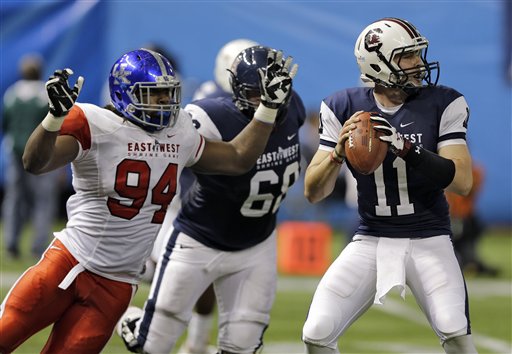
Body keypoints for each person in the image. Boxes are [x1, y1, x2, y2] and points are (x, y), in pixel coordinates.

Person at [0, 47, 296, 353]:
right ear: (126, 92)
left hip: (117, 284)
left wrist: (267, 110)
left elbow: (236, 158)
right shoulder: (94, 123)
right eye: (155, 94)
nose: (167, 102)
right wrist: (52, 120)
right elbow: (35, 162)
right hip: (68, 263)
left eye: (170, 93)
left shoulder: (178, 130)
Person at [301, 18, 477, 354]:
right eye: (406, 57)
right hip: (370, 238)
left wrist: (407, 148)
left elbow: (463, 181)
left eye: (417, 55)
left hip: (429, 237)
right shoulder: (343, 106)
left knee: (455, 330)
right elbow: (314, 192)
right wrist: (337, 153)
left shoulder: (444, 102)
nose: (418, 64)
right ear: (377, 62)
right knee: (317, 331)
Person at [117, 45, 306, 354]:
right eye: (259, 94)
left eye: (276, 91)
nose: (271, 99)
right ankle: (128, 320)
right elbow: (167, 150)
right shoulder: (210, 115)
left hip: (256, 244)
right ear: (239, 91)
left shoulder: (294, 106)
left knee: (242, 347)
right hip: (198, 240)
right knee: (152, 345)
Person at [144, 38, 259, 354]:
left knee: (205, 277)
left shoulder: (251, 101)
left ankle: (195, 343)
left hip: (224, 200)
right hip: (194, 197)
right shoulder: (212, 100)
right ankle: (134, 312)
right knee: (169, 270)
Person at [1, 54, 62, 258]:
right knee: (43, 199)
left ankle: (11, 242)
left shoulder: (12, 93)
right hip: (40, 154)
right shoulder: (45, 95)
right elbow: (53, 128)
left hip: (14, 152)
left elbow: (6, 125)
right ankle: (38, 245)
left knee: (14, 198)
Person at [446, 163, 499, 276]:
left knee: (468, 235)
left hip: (463, 217)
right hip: (449, 217)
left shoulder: (474, 171)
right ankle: (468, 262)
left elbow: (468, 191)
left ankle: (469, 261)